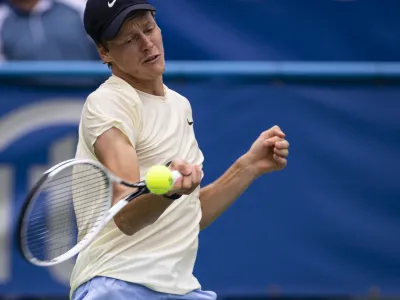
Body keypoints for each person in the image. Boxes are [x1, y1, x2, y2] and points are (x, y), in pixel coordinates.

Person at [70, 0, 290, 299]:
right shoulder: (109, 103)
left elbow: (187, 218)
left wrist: (247, 166)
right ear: (105, 52)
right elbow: (126, 215)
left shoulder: (179, 105)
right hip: (117, 284)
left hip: (179, 289)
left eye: (149, 29)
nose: (148, 44)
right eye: (131, 39)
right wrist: (169, 190)